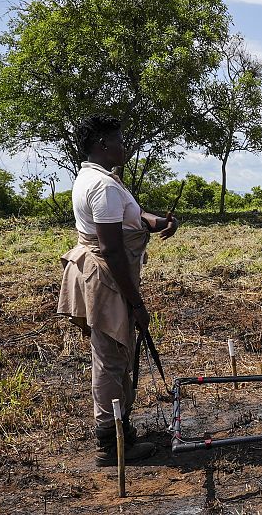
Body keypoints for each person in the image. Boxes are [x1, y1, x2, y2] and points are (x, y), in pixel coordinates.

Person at [57, 114, 178, 466]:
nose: (125, 147)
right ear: (103, 145)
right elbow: (111, 248)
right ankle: (110, 444)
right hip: (107, 277)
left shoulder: (96, 179)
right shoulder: (104, 186)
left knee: (114, 355)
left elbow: (134, 219)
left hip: (104, 272)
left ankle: (118, 430)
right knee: (110, 359)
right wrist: (135, 302)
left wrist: (161, 222)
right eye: (120, 141)